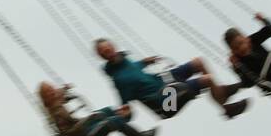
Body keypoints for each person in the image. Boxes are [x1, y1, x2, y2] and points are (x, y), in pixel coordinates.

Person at [94, 38, 248, 120]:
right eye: (104, 51)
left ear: (113, 46)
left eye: (109, 47)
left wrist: (146, 61)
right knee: (207, 80)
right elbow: (124, 103)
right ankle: (225, 106)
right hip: (164, 103)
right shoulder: (118, 79)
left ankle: (221, 92)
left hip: (164, 82)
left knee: (198, 62)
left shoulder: (127, 61)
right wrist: (124, 113)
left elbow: (137, 67)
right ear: (102, 56)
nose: (108, 51)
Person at [37, 82, 156, 136]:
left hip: (84, 128)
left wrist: (65, 88)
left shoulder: (56, 99)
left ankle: (125, 123)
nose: (53, 92)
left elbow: (59, 94)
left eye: (52, 88)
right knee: (110, 121)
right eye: (49, 92)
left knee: (107, 111)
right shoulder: (54, 115)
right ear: (45, 99)